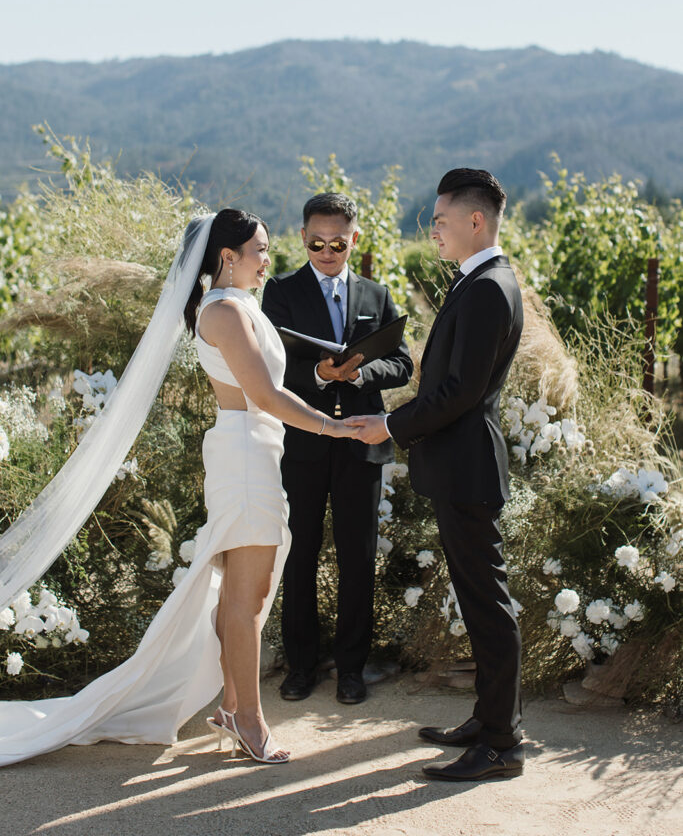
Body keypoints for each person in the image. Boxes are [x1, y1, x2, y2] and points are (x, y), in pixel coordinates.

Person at [0, 208, 354, 768]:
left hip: (256, 451)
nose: (269, 259)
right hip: (243, 454)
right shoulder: (223, 312)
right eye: (259, 250)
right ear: (228, 256)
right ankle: (248, 720)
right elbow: (262, 394)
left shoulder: (240, 307)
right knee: (247, 597)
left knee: (250, 592)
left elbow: (270, 384)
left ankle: (233, 706)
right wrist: (333, 426)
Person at [348, 168, 525, 782]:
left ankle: (501, 745)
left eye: (441, 220)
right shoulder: (483, 282)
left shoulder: (486, 288)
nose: (434, 231)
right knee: (480, 600)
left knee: (488, 602)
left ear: (476, 220)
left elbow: (460, 391)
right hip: (462, 464)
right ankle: (490, 719)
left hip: (468, 466)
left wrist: (391, 425)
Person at [262, 193, 413, 705]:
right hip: (301, 445)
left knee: (357, 558)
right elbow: (269, 366)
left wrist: (362, 371)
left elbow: (403, 364)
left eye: (338, 243)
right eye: (317, 242)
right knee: (298, 555)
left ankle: (351, 669)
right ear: (302, 237)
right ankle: (301, 666)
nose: (328, 252)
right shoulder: (279, 293)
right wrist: (319, 374)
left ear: (355, 239)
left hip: (362, 447)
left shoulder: (377, 294)